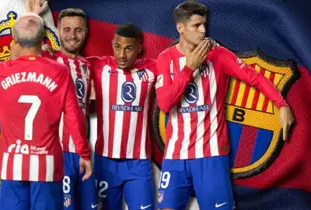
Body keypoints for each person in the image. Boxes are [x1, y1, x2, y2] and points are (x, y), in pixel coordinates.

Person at [155, 1, 294, 210]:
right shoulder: (166, 59)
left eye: (204, 24)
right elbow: (165, 104)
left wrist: (281, 104)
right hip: (175, 156)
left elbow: (253, 77)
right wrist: (189, 69)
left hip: (211, 157)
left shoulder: (218, 55)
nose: (203, 30)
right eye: (196, 26)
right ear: (180, 28)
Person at [0, 12, 92, 210]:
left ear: (15, 39)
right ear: (43, 38)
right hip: (46, 165)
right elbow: (74, 117)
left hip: (12, 165)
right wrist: (84, 154)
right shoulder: (60, 72)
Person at [25, 1, 98, 209]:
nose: (72, 35)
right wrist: (32, 16)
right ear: (58, 30)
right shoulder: (48, 57)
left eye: (78, 30)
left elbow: (84, 109)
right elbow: (20, 52)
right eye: (66, 29)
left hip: (82, 153)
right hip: (56, 153)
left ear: (85, 32)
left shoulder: (86, 66)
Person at [86, 23, 156, 210]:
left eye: (128, 48)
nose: (122, 55)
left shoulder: (152, 69)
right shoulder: (98, 65)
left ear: (140, 48)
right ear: (112, 45)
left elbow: (179, 61)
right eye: (117, 47)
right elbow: (68, 58)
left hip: (138, 162)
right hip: (105, 162)